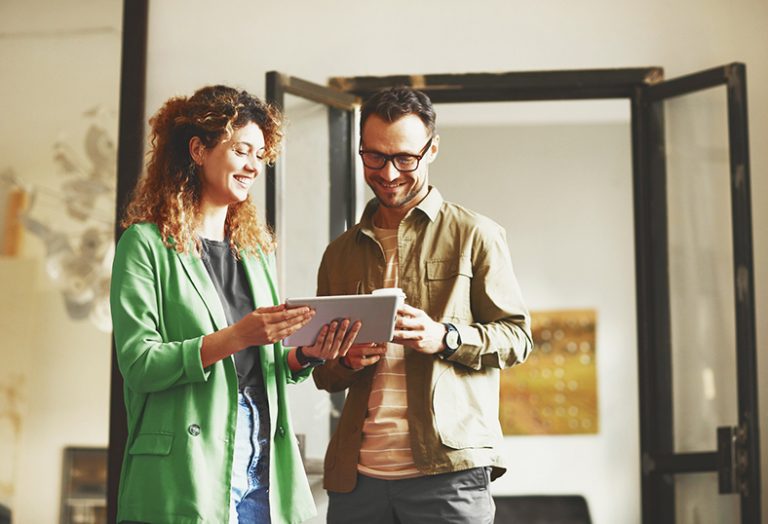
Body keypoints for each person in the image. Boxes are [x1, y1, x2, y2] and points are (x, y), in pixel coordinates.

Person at [110, 85, 360, 523]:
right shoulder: (144, 245)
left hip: (263, 457)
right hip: (188, 463)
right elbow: (139, 364)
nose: (252, 166)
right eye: (242, 150)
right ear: (198, 149)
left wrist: (304, 355)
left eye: (259, 155)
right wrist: (237, 336)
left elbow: (260, 364)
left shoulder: (254, 250)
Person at [312, 86, 533, 524]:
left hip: (448, 475)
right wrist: (346, 360)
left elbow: (518, 339)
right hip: (356, 481)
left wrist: (444, 337)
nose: (389, 173)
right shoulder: (339, 253)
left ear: (432, 150)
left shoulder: (477, 234)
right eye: (374, 157)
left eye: (404, 159)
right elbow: (323, 373)